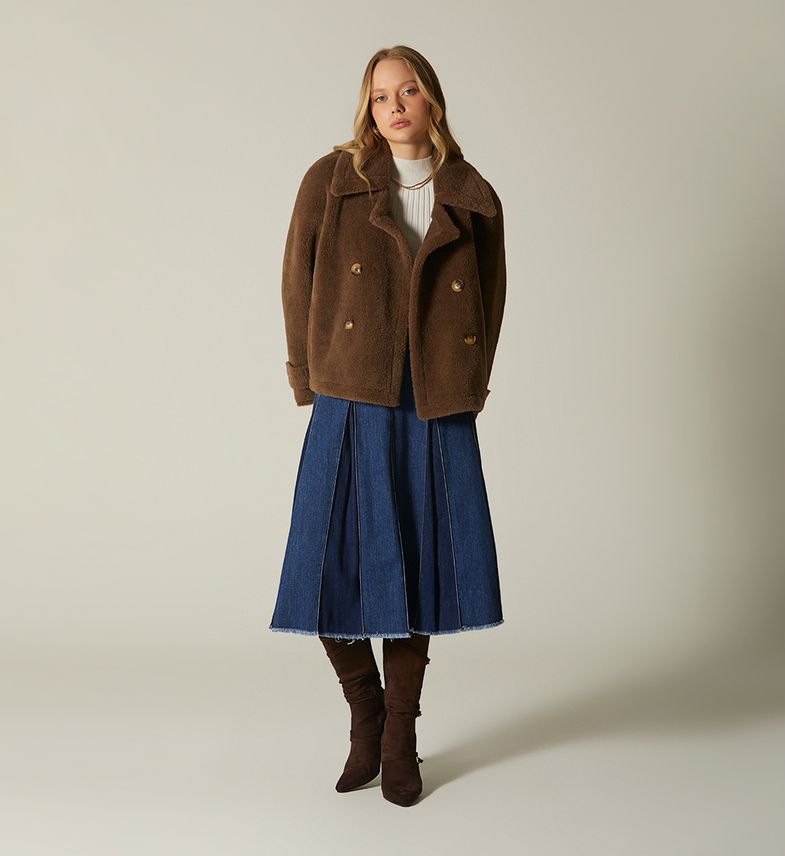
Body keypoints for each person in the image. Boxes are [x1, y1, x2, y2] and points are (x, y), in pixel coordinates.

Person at [269, 45, 507, 807]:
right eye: (380, 96)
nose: (394, 106)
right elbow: (298, 278)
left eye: (407, 91)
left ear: (432, 99)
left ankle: (401, 737)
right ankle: (365, 718)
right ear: (367, 108)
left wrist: (468, 381)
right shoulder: (332, 179)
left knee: (420, 570)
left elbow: (492, 299)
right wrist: (306, 375)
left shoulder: (471, 194)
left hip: (433, 399)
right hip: (351, 390)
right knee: (322, 565)